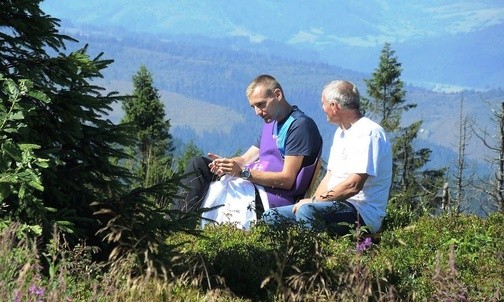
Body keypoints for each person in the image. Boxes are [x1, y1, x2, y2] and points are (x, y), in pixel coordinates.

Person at [176, 74, 323, 218]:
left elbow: (287, 179)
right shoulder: (271, 122)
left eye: (261, 104)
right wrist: (227, 164)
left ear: (277, 95)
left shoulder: (299, 126)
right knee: (200, 165)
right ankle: (173, 224)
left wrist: (243, 173)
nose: (257, 112)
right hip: (255, 184)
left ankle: (177, 227)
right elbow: (246, 159)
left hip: (274, 197)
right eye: (253, 106)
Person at [262, 80, 392, 235]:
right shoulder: (341, 133)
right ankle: (286, 257)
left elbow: (353, 185)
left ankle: (319, 256)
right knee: (271, 216)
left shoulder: (369, 133)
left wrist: (314, 202)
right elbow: (330, 176)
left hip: (362, 211)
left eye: (324, 104)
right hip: (335, 205)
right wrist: (312, 201)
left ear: (334, 106)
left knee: (307, 212)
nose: (322, 108)